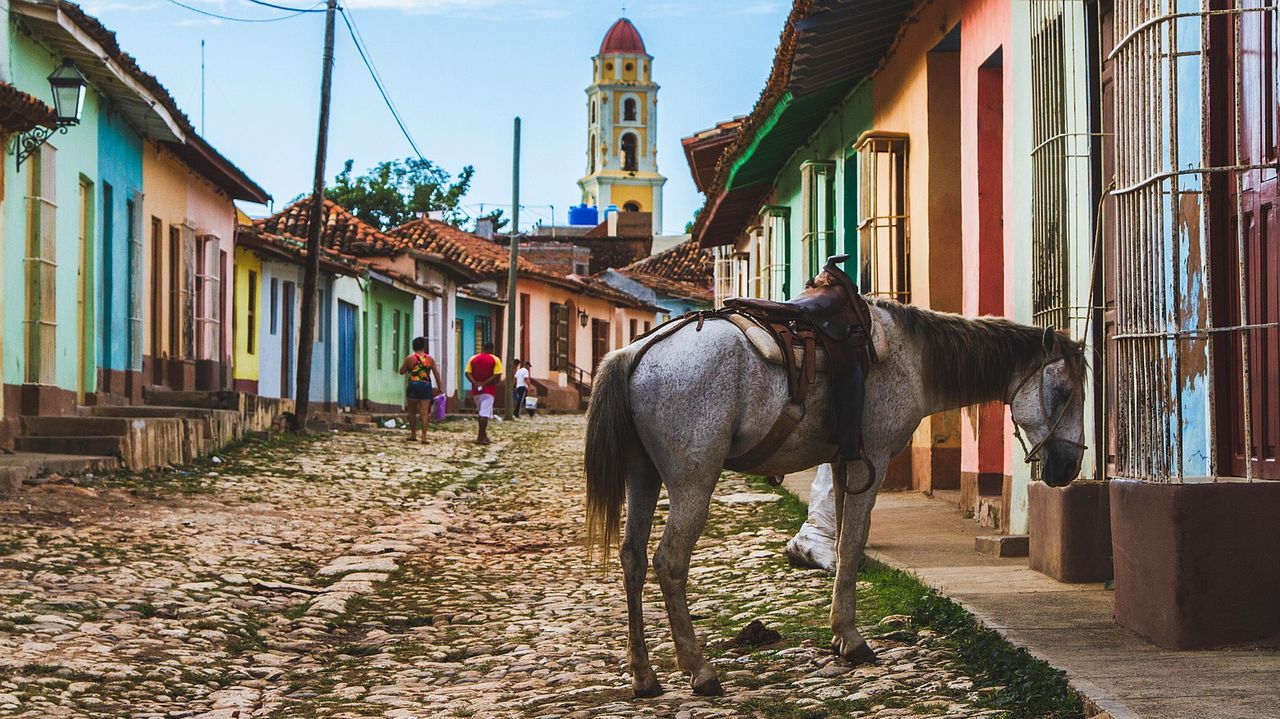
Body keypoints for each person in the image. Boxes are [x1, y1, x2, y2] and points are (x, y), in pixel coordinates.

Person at [399, 337, 444, 443]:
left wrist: (408, 367)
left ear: (413, 347)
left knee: (412, 412)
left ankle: (413, 434)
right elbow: (436, 374)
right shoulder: (430, 359)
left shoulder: (410, 358)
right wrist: (440, 387)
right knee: (424, 413)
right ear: (423, 347)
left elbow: (402, 371)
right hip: (425, 386)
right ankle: (424, 437)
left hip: (413, 385)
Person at [465, 341, 503, 445]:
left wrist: (475, 383)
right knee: (484, 414)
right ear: (492, 349)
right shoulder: (495, 360)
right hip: (489, 391)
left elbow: (467, 373)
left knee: (481, 412)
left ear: (482, 348)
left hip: (476, 391)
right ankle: (480, 436)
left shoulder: (473, 359)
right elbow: (497, 375)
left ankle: (483, 435)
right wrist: (485, 383)